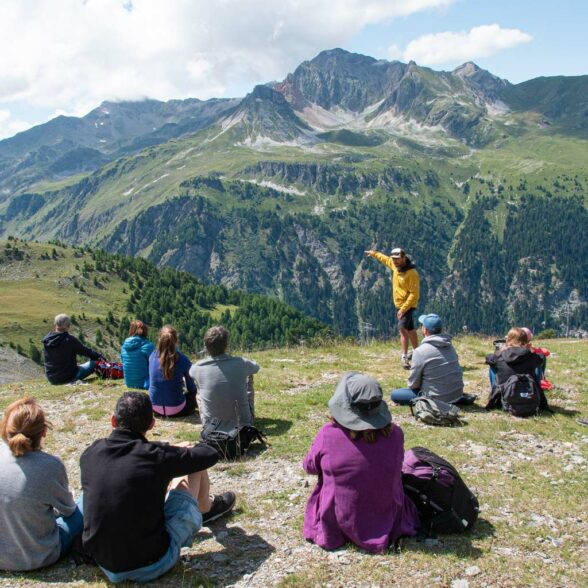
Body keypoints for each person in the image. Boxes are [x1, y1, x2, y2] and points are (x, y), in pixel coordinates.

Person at [80, 391, 236, 583]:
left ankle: (204, 507)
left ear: (113, 421)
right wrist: (182, 449)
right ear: (151, 425)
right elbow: (208, 455)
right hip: (151, 563)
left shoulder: (90, 453)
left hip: (103, 561)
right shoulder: (155, 456)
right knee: (194, 463)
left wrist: (166, 449)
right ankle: (205, 508)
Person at [303, 372, 420, 553]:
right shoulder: (396, 434)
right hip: (387, 516)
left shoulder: (329, 434)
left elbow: (309, 467)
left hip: (339, 518)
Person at [0, 397, 83, 571]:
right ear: (44, 431)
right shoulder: (50, 465)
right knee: (84, 503)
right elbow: (68, 510)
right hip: (38, 556)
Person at [190, 326, 260, 432]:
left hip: (211, 427)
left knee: (199, 388)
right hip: (243, 425)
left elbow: (190, 373)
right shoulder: (242, 363)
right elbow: (256, 367)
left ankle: (210, 415)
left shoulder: (196, 368)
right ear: (226, 346)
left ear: (206, 346)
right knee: (249, 375)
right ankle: (245, 409)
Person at [391, 313, 465, 405]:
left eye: (422, 325)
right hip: (456, 395)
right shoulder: (450, 346)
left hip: (436, 398)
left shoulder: (420, 351)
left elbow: (413, 384)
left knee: (395, 394)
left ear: (425, 330)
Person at [365, 247, 420, 369]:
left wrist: (403, 309)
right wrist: (374, 253)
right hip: (400, 305)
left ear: (404, 258)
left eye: (397, 259)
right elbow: (385, 259)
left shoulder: (412, 273)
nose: (394, 261)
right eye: (394, 259)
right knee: (410, 329)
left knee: (402, 330)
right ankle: (418, 353)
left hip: (407, 305)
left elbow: (413, 294)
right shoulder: (395, 266)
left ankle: (404, 357)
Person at [149, 325, 197, 417]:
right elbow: (192, 387)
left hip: (155, 408)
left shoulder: (152, 356)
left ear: (159, 339)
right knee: (192, 394)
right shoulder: (183, 359)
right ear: (176, 341)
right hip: (177, 409)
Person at [42, 313, 103, 384]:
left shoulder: (47, 339)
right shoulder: (69, 340)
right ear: (68, 326)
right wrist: (99, 356)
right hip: (69, 377)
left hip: (52, 379)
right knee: (94, 364)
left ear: (55, 325)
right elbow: (86, 352)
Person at [121, 320, 155, 389]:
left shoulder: (124, 347)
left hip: (129, 383)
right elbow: (155, 365)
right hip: (145, 383)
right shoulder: (148, 346)